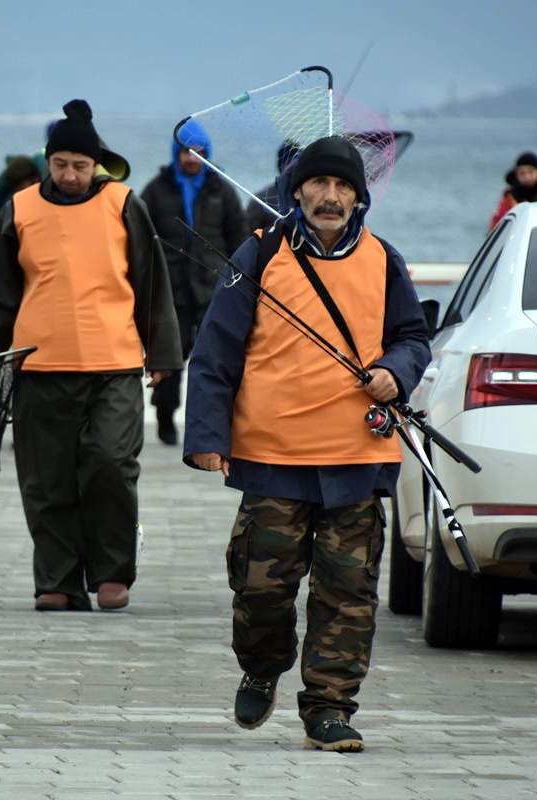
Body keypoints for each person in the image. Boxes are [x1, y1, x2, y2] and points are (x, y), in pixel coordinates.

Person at [183, 136, 430, 752]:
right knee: (261, 589)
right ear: (296, 192)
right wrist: (208, 436)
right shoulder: (260, 254)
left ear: (359, 196)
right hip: (270, 454)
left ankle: (329, 706)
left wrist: (396, 372)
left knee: (347, 593)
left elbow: (413, 337)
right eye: (318, 185)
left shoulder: (384, 259)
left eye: (343, 186)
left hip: (357, 455)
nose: (330, 196)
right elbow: (215, 351)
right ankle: (262, 666)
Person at [0, 99, 182, 613]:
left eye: (80, 166)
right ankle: (57, 579)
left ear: (97, 164)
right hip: (38, 366)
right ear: (48, 161)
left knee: (110, 463)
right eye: (60, 164)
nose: (69, 174)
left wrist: (164, 355)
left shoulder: (125, 204)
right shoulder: (20, 209)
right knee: (46, 477)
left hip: (115, 364)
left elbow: (152, 285)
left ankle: (111, 571)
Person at [139, 119, 247, 445]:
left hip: (213, 288)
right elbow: (142, 237)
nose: (192, 158)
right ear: (176, 153)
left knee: (215, 357)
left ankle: (211, 421)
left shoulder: (222, 189)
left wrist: (239, 282)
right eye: (186, 152)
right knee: (171, 357)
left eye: (199, 152)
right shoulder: (157, 189)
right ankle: (165, 415)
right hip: (171, 289)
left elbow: (239, 240)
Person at [245, 140, 303, 232]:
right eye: (290, 163)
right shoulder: (260, 201)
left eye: (298, 162)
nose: (293, 167)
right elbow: (248, 237)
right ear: (283, 165)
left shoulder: (311, 198)